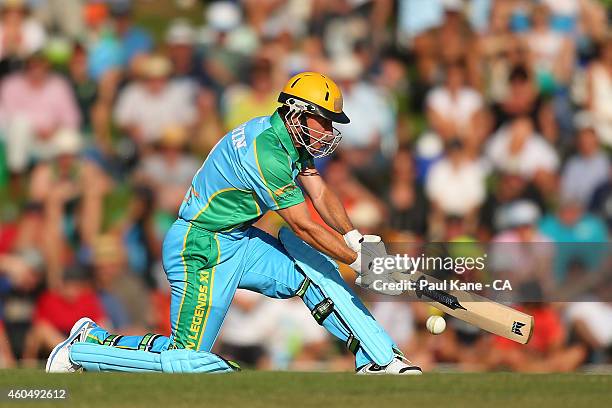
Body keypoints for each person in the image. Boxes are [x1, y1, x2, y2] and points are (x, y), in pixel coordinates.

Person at [46, 72, 422, 375]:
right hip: (201, 246)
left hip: (238, 239)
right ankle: (82, 350)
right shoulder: (267, 150)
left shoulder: (288, 139)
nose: (327, 131)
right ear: (294, 112)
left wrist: (354, 239)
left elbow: (321, 193)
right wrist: (361, 263)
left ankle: (378, 359)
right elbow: (303, 225)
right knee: (188, 361)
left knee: (312, 272)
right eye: (321, 121)